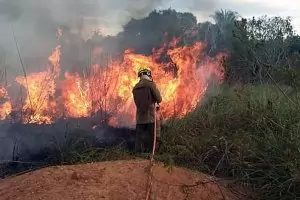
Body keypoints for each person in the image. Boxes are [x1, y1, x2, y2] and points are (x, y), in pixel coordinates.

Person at [132, 67, 162, 153]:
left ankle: (138, 156)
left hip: (140, 118)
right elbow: (159, 99)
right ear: (148, 74)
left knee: (139, 139)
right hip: (150, 117)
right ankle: (151, 155)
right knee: (151, 139)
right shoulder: (150, 84)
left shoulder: (135, 87)